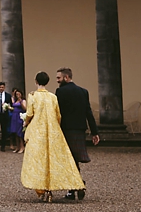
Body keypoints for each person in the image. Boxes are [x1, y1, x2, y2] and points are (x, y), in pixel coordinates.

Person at [22, 71, 85, 202]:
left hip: (38, 131)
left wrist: (26, 122)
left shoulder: (32, 96)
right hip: (52, 131)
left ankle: (42, 187)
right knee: (54, 159)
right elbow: (58, 115)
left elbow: (29, 113)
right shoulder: (52, 96)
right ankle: (59, 185)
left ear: (35, 81)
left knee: (38, 160)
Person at [55, 68, 101, 200]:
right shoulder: (83, 91)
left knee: (69, 159)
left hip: (66, 129)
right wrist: (94, 132)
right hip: (80, 130)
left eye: (59, 78)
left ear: (66, 77)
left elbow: (58, 112)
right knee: (74, 159)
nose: (57, 80)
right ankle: (76, 186)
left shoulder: (60, 92)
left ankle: (76, 186)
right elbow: (88, 112)